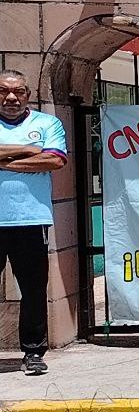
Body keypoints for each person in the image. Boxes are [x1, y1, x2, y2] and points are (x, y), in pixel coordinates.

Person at [0, 70, 67, 376]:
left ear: (28, 95)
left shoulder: (47, 123)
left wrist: (5, 160)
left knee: (33, 289)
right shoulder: (34, 137)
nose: (11, 98)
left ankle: (32, 352)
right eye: (4, 91)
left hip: (30, 218)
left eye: (18, 92)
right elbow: (41, 155)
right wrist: (29, 151)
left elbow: (55, 160)